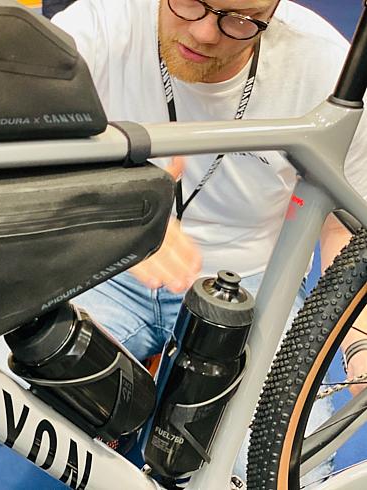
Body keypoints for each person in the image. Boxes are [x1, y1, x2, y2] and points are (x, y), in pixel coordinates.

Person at [48, 0, 367, 481]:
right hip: (109, 263)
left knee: (290, 472)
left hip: (252, 283)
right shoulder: (93, 29)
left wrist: (358, 342)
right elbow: (20, 168)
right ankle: (144, 395)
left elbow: (344, 221)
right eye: (189, 1)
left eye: (240, 19)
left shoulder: (325, 67)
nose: (204, 33)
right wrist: (121, 219)